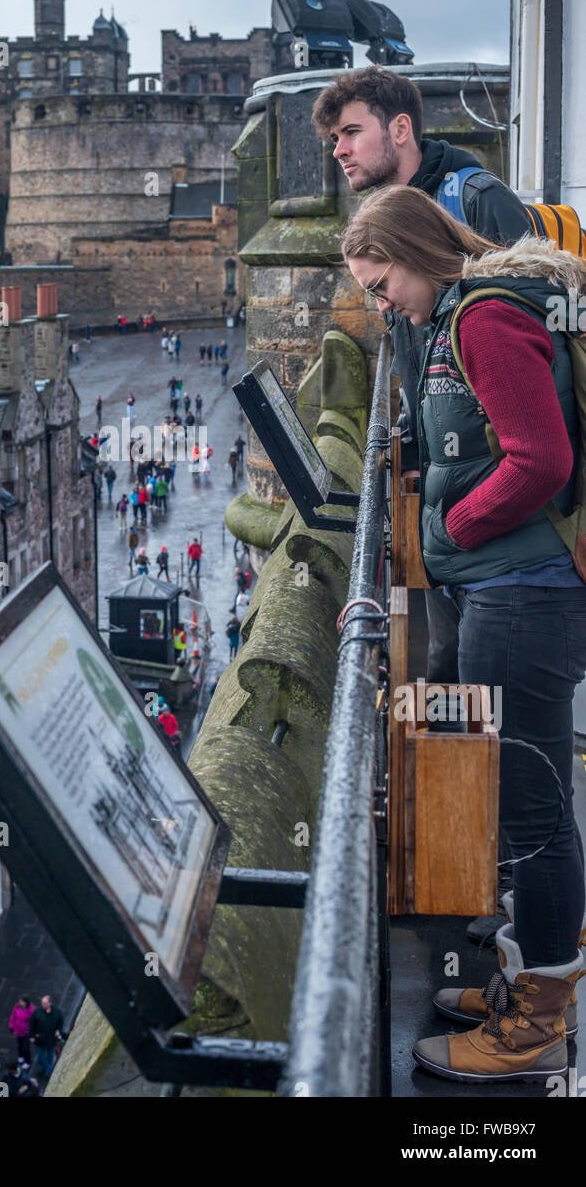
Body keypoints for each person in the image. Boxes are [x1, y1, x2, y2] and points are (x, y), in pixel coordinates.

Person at [342, 183, 586, 1085]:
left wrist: (457, 531)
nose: (380, 303)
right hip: (512, 593)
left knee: (530, 814)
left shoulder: (481, 319)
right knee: (524, 805)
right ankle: (524, 982)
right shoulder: (461, 315)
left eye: (381, 281)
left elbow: (541, 459)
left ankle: (537, 1029)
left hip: (524, 597)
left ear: (418, 251)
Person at [312, 64, 533, 690]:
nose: (339, 151)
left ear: (401, 128)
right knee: (447, 673)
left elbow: (539, 340)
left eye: (351, 132)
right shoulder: (389, 221)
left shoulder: (476, 198)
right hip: (446, 485)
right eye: (334, 139)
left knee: (483, 697)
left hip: (503, 506)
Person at [29, 994, 65, 1082]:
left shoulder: (57, 1012)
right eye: (42, 1003)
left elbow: (61, 1023)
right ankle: (49, 1070)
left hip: (51, 1039)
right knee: (41, 1056)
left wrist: (58, 1030)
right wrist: (32, 1036)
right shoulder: (37, 1012)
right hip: (39, 1039)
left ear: (50, 1003)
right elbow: (31, 1024)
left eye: (45, 1003)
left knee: (50, 1056)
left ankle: (45, 1069)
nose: (43, 1005)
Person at [8, 996, 35, 1067]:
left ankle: (27, 1061)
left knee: (26, 1048)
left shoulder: (31, 1010)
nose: (20, 1003)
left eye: (22, 1002)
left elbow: (33, 1021)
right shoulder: (17, 1007)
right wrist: (11, 1026)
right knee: (19, 1045)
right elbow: (13, 1016)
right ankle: (21, 1056)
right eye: (20, 1001)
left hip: (26, 1032)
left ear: (26, 1003)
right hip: (18, 1031)